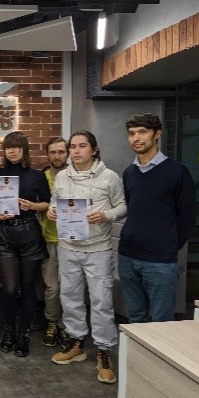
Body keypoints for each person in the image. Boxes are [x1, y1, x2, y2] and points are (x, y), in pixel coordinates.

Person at [47, 130, 127, 384]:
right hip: (68, 246)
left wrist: (106, 215)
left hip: (97, 248)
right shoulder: (62, 177)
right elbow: (54, 202)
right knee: (70, 297)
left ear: (94, 150)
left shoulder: (109, 177)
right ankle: (77, 343)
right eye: (73, 147)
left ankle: (104, 351)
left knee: (101, 301)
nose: (76, 151)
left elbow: (122, 206)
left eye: (82, 146)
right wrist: (51, 212)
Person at [118, 113, 196, 323]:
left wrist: (167, 244)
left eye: (143, 132)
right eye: (132, 133)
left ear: (157, 134)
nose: (136, 138)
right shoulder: (129, 173)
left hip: (160, 259)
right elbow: (132, 208)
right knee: (136, 318)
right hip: (127, 255)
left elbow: (187, 217)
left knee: (161, 322)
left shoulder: (177, 172)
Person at [0, 131, 50, 357]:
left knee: (27, 287)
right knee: (9, 288)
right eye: (8, 147)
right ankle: (10, 329)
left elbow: (47, 204)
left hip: (29, 233)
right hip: (6, 233)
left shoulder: (36, 176)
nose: (12, 151)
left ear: (24, 150)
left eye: (16, 147)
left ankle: (24, 333)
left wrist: (32, 206)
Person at [39, 137, 70, 347]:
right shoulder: (41, 178)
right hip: (48, 239)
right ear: (48, 154)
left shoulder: (74, 176)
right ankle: (52, 321)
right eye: (53, 152)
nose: (57, 156)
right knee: (52, 287)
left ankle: (66, 325)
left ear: (67, 154)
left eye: (61, 152)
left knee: (70, 287)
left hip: (72, 240)